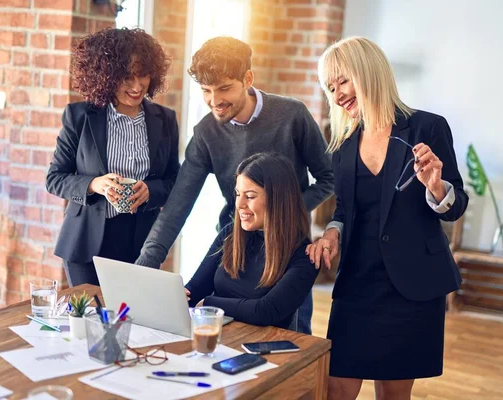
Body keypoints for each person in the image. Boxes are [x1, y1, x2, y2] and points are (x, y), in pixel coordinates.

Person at [135, 36, 334, 334]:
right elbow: (178, 205)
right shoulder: (206, 133)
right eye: (206, 91)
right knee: (227, 334)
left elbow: (329, 177)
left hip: (287, 251)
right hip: (233, 247)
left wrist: (283, 211)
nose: (215, 101)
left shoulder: (292, 116)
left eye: (225, 88)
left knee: (292, 342)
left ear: (248, 79)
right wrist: (143, 268)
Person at [307, 37, 469, 399]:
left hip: (411, 287)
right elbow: (346, 211)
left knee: (393, 395)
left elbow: (456, 206)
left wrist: (436, 186)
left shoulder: (428, 128)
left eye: (342, 81)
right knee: (336, 389)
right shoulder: (343, 147)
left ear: (367, 72)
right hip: (357, 285)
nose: (336, 95)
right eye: (330, 88)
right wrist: (333, 233)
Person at [46, 28, 180, 287]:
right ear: (106, 76)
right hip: (85, 242)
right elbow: (55, 178)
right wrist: (94, 184)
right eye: (127, 77)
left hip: (141, 242)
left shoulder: (165, 120)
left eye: (143, 75)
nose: (137, 86)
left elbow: (175, 180)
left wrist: (150, 190)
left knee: (131, 321)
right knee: (94, 320)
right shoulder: (80, 117)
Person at [185, 153, 319, 330]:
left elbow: (265, 311)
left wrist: (210, 303)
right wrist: (181, 295)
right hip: (219, 338)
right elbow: (194, 290)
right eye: (238, 194)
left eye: (249, 196)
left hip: (258, 347)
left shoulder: (305, 256)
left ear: (276, 199)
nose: (239, 204)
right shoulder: (229, 234)